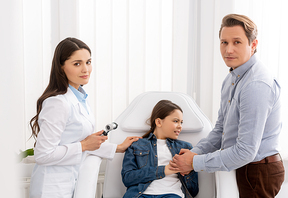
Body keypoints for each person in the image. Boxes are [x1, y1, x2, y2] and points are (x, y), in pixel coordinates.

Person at [170, 14, 285, 198]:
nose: (228, 49)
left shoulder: (256, 85)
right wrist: (193, 153)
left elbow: (246, 151)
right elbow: (221, 130)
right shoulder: (232, 79)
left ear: (253, 45)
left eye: (237, 42)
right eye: (224, 42)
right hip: (243, 166)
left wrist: (194, 162)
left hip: (257, 171)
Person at [29, 37, 140, 198]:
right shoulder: (57, 103)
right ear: (61, 68)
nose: (85, 69)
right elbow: (43, 155)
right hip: (51, 188)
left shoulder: (80, 98)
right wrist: (83, 145)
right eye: (77, 63)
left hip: (70, 182)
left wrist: (117, 148)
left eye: (88, 62)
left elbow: (79, 143)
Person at [121, 100, 199, 198]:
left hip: (172, 194)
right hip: (140, 195)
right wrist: (164, 170)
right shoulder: (136, 145)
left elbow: (193, 190)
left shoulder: (185, 148)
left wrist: (189, 172)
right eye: (175, 121)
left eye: (181, 122)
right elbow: (128, 178)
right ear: (158, 122)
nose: (180, 126)